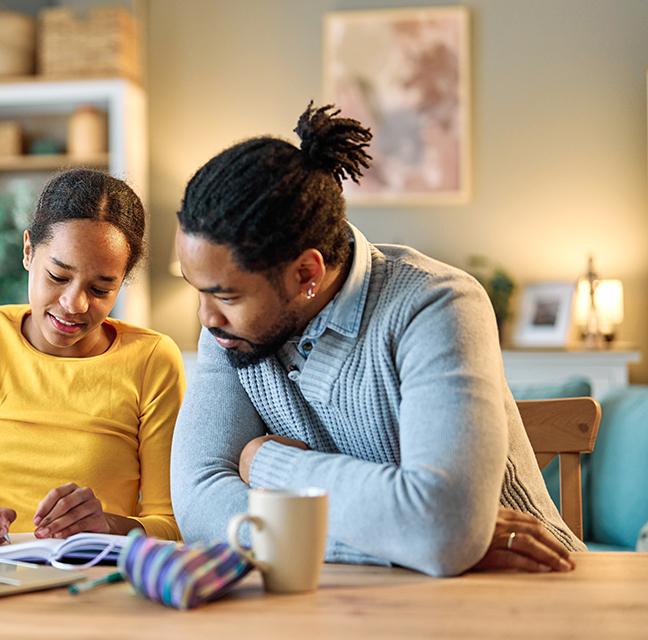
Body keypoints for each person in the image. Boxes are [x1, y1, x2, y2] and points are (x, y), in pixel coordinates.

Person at [170, 104, 578, 576]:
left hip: (519, 587)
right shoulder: (232, 333)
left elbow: (441, 525)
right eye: (197, 289)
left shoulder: (437, 305)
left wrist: (269, 465)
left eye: (226, 295)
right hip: (358, 597)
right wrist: (401, 543)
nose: (206, 315)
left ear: (307, 273)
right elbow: (199, 508)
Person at [0, 169, 183, 545]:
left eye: (100, 288)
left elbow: (172, 523)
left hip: (92, 578)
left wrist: (107, 526)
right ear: (28, 250)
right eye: (58, 277)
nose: (74, 304)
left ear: (122, 281)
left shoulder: (152, 359)